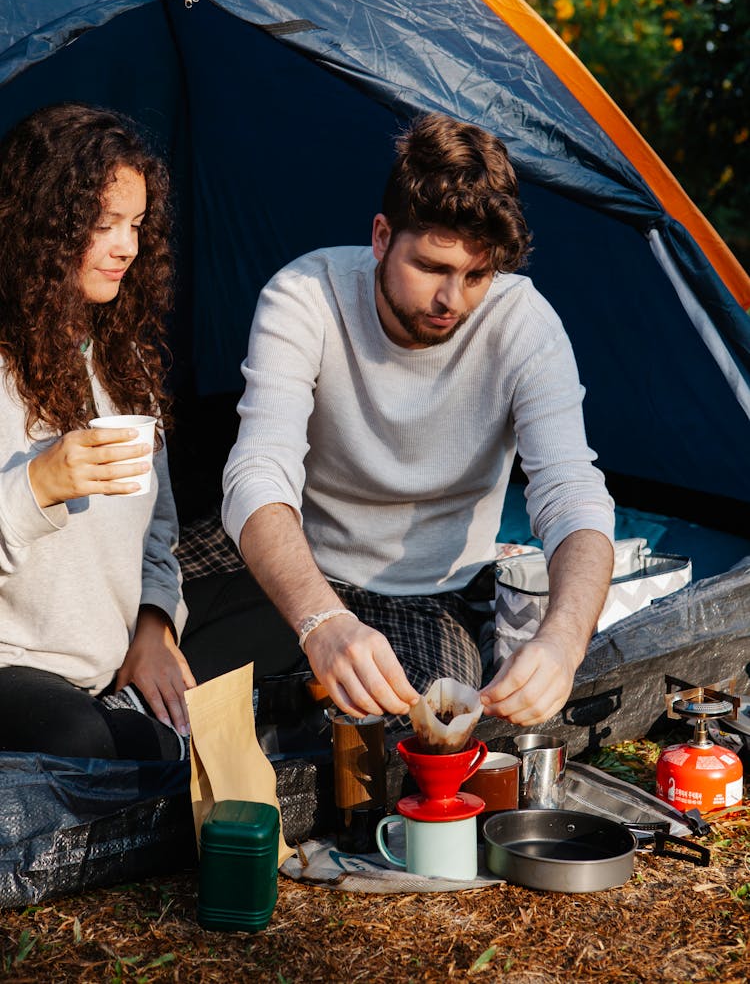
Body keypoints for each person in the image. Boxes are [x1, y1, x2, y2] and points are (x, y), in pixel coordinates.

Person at [218, 112, 615, 731]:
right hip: (300, 560)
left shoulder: (525, 325)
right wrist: (322, 622)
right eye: (431, 267)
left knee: (431, 741)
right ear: (381, 237)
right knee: (141, 649)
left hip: (429, 593)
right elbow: (257, 472)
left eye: (477, 276)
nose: (451, 301)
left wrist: (563, 642)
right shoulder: (305, 295)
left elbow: (572, 493)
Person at [0, 103, 194, 761]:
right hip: (15, 666)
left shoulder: (124, 356)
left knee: (269, 635)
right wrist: (39, 484)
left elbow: (159, 530)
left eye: (137, 225)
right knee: (91, 738)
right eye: (104, 224)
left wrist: (154, 625)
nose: (128, 248)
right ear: (42, 225)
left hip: (110, 658)